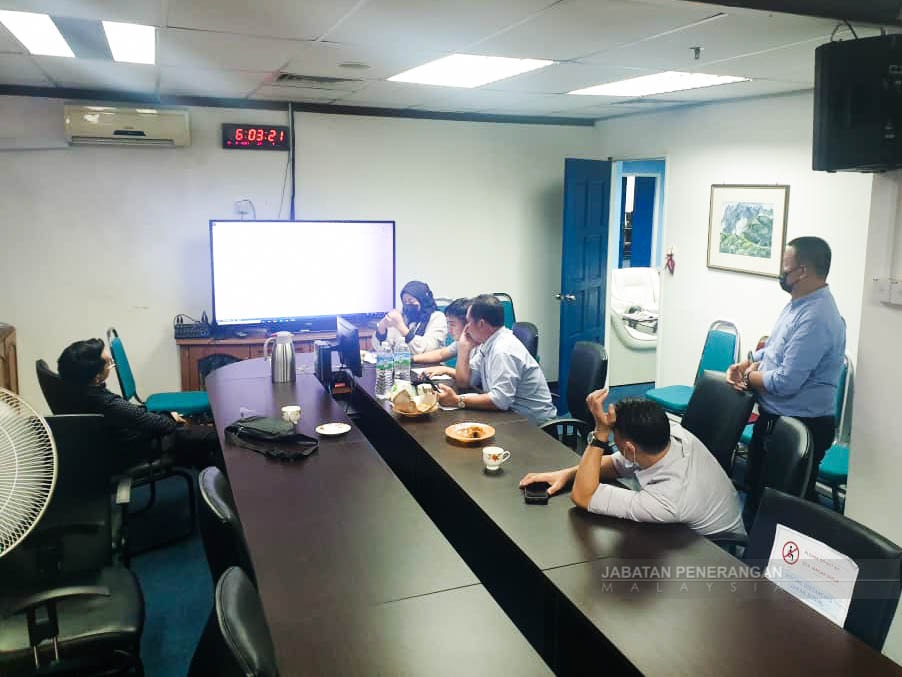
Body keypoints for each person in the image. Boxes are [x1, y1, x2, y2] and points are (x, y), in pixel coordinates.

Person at [726, 236, 845, 521]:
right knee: (758, 497)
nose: (781, 272)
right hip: (777, 419)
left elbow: (785, 381)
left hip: (801, 425)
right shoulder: (798, 304)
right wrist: (747, 363)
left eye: (785, 266)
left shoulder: (816, 317)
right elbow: (775, 349)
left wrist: (749, 376)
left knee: (780, 511)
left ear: (802, 271)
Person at [519, 390, 746, 537]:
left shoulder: (668, 497)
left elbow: (582, 496)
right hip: (684, 529)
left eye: (614, 438)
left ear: (629, 449)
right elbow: (615, 465)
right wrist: (567, 474)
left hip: (709, 555)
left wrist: (600, 434)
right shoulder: (670, 434)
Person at [57, 338, 220, 468]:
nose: (111, 366)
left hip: (113, 444)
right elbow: (164, 426)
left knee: (196, 437)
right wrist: (171, 416)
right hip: (134, 450)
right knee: (212, 437)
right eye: (109, 364)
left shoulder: (74, 389)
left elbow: (133, 415)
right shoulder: (106, 403)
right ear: (96, 377)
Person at [436, 294, 556, 425]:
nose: (467, 328)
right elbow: (467, 381)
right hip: (511, 414)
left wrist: (457, 401)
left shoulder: (503, 350)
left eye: (468, 322)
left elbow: (500, 401)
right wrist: (464, 349)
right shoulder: (489, 343)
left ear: (481, 324)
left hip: (533, 426)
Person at [372, 280, 447, 355]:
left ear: (422, 300)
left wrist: (401, 327)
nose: (408, 305)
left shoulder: (437, 317)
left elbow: (428, 349)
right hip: (402, 361)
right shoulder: (404, 316)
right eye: (404, 302)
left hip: (429, 362)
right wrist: (382, 329)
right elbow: (384, 348)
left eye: (411, 301)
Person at [412, 297, 474, 385]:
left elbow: (470, 379)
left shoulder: (478, 344)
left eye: (452, 324)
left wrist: (445, 370)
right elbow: (441, 354)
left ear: (468, 324)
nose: (449, 330)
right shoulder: (461, 341)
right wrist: (412, 359)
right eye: (448, 324)